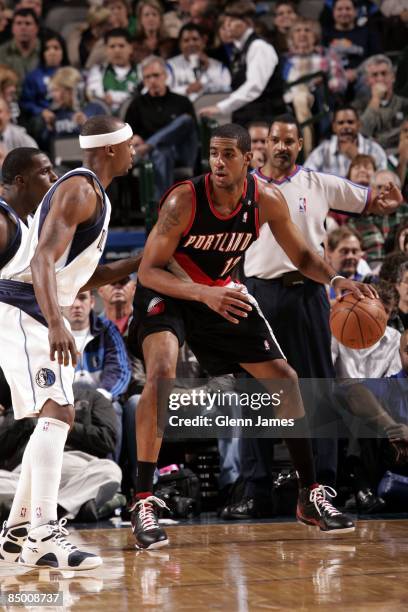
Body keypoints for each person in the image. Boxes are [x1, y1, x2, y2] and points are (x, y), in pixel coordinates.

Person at [128, 122, 381, 550]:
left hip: (219, 294)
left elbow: (301, 254)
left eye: (229, 154)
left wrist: (336, 280)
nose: (219, 162)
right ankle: (143, 500)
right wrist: (202, 293)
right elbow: (148, 269)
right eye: (213, 153)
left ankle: (308, 494)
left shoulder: (265, 200)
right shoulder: (184, 199)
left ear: (250, 159)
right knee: (162, 375)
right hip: (170, 293)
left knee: (285, 379)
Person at [225, 115, 402, 519]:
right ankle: (256, 488)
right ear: (265, 144)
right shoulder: (245, 186)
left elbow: (370, 199)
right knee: (254, 393)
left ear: (299, 146)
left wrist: (387, 195)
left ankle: (322, 485)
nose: (282, 146)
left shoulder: (319, 183)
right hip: (258, 293)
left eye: (290, 140)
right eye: (276, 140)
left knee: (318, 392)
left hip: (308, 295)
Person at [0, 116, 137, 570]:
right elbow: (42, 260)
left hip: (38, 306)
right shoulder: (81, 188)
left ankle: (19, 531)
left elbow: (81, 276)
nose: (135, 151)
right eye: (129, 144)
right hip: (28, 308)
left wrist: (143, 257)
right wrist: (58, 322)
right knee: (58, 410)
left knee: (58, 411)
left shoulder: (93, 194)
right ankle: (42, 532)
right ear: (111, 149)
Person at [63, 289, 131, 463]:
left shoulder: (107, 330)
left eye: (82, 298)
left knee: (114, 410)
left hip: (101, 399)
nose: (77, 304)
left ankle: (113, 476)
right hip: (65, 401)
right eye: (71, 299)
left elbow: (120, 369)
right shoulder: (50, 333)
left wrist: (102, 398)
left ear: (92, 302)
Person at [199, 0, 285, 125]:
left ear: (248, 22)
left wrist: (221, 107)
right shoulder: (239, 49)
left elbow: (254, 86)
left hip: (265, 120)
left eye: (232, 21)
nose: (227, 25)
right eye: (226, 20)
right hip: (246, 118)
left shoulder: (259, 47)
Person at [125, 55, 198, 199]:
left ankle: (151, 144)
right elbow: (127, 136)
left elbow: (191, 130)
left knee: (185, 120)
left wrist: (148, 143)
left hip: (182, 152)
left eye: (156, 75)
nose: (152, 80)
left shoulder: (182, 102)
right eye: (147, 77)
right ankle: (164, 208)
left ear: (165, 76)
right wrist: (133, 138)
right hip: (155, 155)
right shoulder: (137, 105)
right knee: (162, 152)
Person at [305, 106, 387, 176]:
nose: (346, 126)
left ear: (359, 125)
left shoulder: (374, 150)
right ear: (334, 127)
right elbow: (306, 177)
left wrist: (357, 158)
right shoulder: (322, 151)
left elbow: (382, 181)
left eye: (350, 122)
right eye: (341, 123)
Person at [167, 22, 231, 102]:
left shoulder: (219, 67)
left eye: (195, 39)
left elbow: (226, 90)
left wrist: (208, 69)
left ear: (203, 42)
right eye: (186, 40)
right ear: (180, 45)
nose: (191, 44)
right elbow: (163, 91)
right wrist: (186, 90)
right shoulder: (169, 66)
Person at [86, 27, 139, 116]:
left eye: (121, 46)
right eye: (112, 46)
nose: (117, 50)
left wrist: (113, 97)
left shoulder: (142, 70)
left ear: (131, 48)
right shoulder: (97, 71)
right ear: (106, 50)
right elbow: (94, 95)